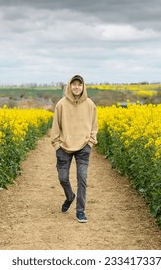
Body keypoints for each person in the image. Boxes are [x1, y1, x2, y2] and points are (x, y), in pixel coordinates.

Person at [50, 74, 98, 223]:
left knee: (82, 178)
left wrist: (90, 142)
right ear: (69, 86)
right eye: (74, 84)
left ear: (83, 87)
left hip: (84, 146)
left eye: (79, 84)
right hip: (64, 146)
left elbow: (94, 126)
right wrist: (57, 144)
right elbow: (56, 127)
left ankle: (80, 211)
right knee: (63, 178)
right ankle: (70, 196)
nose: (76, 87)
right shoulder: (61, 104)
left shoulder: (90, 104)